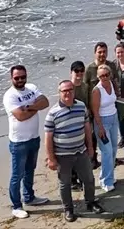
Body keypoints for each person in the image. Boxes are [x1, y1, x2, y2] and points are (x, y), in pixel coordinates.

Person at [44, 80, 104, 222]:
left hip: (81, 151)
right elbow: (48, 138)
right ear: (59, 93)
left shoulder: (81, 106)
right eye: (64, 91)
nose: (68, 93)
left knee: (89, 179)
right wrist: (51, 158)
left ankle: (90, 202)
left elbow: (87, 128)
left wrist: (90, 147)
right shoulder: (53, 113)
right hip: (63, 155)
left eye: (70, 90)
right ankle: (68, 209)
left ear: (74, 91)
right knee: (65, 184)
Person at [3, 65, 50, 219]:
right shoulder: (9, 96)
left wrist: (29, 107)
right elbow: (21, 116)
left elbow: (45, 102)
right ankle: (16, 206)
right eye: (17, 78)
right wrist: (35, 107)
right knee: (17, 175)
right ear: (11, 78)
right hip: (19, 142)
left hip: (34, 137)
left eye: (23, 77)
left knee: (30, 170)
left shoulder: (31, 88)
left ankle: (29, 197)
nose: (20, 80)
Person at [88, 63, 120, 192]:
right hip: (102, 121)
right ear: (98, 77)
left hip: (114, 118)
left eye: (106, 75)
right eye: (102, 76)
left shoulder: (111, 83)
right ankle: (106, 181)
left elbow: (116, 99)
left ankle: (108, 175)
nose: (105, 78)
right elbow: (95, 111)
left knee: (114, 149)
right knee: (106, 151)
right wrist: (100, 128)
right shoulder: (97, 90)